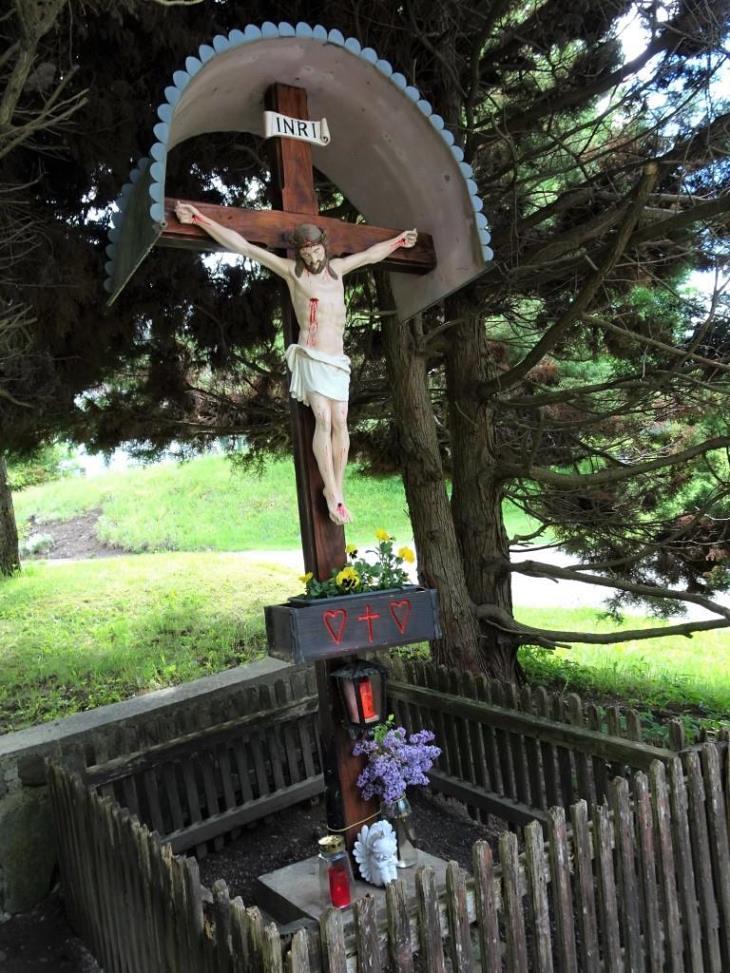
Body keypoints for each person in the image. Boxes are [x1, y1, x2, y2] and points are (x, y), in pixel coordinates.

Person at [174, 202, 417, 525]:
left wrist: (400, 241)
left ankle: (338, 489)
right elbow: (244, 246)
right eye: (307, 254)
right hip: (311, 355)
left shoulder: (338, 269)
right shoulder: (292, 273)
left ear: (324, 247)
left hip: (337, 358)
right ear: (299, 255)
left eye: (316, 251)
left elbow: (372, 254)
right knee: (323, 418)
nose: (313, 259)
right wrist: (200, 219)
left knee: (341, 419)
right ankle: (331, 492)